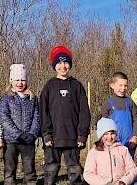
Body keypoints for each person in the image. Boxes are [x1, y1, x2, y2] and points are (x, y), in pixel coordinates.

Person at [40, 45, 91, 185]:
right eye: (59, 63)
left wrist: (82, 134)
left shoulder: (77, 86)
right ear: (54, 65)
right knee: (50, 169)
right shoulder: (49, 86)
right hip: (53, 138)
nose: (63, 66)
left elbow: (84, 112)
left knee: (74, 169)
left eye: (66, 62)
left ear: (70, 64)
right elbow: (43, 112)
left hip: (73, 138)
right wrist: (46, 134)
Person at [0, 63, 40, 185]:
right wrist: (18, 134)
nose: (20, 83)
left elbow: (37, 117)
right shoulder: (6, 97)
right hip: (11, 140)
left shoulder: (32, 98)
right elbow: (4, 118)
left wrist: (32, 134)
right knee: (10, 168)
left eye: (22, 80)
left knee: (29, 168)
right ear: (11, 81)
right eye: (17, 80)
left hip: (28, 140)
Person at [82, 118, 137, 185]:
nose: (110, 137)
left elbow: (132, 169)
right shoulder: (94, 152)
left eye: (112, 133)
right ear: (101, 136)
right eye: (106, 134)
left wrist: (124, 181)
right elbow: (88, 174)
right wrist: (104, 183)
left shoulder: (123, 150)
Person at [101, 72, 137, 156]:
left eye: (125, 85)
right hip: (113, 142)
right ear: (112, 85)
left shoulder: (130, 102)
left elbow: (136, 118)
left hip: (129, 142)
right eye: (120, 85)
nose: (123, 88)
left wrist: (134, 136)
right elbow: (103, 125)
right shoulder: (107, 103)